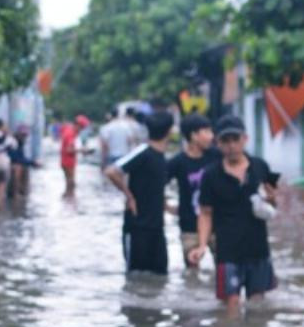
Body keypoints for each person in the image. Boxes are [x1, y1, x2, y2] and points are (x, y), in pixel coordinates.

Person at [192, 114, 281, 311]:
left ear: (245, 139)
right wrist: (202, 245)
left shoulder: (260, 166)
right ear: (218, 143)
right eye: (225, 141)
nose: (231, 145)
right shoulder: (210, 174)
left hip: (258, 248)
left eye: (235, 139)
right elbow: (205, 213)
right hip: (227, 250)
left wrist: (272, 198)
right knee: (230, 306)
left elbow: (273, 203)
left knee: (257, 306)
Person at [105, 110, 175, 275]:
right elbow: (111, 171)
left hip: (157, 228)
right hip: (137, 227)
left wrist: (168, 207)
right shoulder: (143, 152)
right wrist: (129, 196)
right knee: (135, 276)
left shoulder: (162, 157)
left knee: (159, 277)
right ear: (170, 131)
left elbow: (155, 187)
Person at [165, 113, 220, 268]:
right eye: (207, 132)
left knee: (224, 269)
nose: (211, 136)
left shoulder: (217, 156)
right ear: (194, 136)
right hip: (189, 225)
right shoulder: (178, 162)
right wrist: (167, 207)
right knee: (191, 274)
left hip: (217, 224)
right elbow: (156, 185)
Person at [60, 115, 90, 196]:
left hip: (65, 161)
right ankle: (69, 203)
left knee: (69, 184)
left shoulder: (69, 130)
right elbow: (68, 150)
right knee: (71, 184)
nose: (82, 129)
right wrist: (82, 150)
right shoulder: (71, 134)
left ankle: (66, 202)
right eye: (82, 127)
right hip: (68, 162)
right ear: (77, 125)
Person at [8, 125, 40, 197]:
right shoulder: (13, 142)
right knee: (18, 168)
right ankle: (16, 193)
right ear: (18, 134)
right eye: (23, 135)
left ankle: (24, 191)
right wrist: (32, 162)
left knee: (25, 168)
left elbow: (21, 157)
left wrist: (32, 163)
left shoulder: (20, 143)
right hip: (10, 163)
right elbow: (16, 158)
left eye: (25, 135)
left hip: (14, 162)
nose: (24, 137)